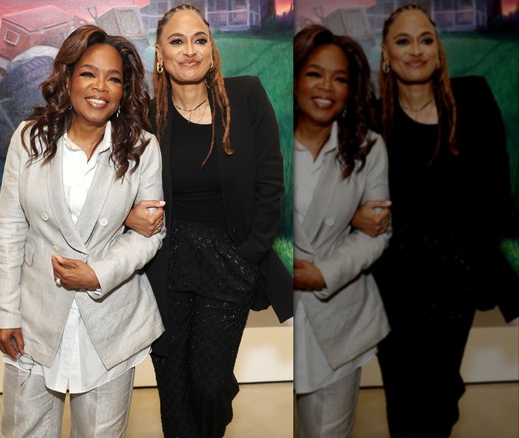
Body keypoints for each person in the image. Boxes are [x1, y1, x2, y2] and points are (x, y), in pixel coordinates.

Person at [124, 4, 291, 437]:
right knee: (174, 392)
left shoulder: (247, 95)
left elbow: (270, 181)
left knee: (210, 383)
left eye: (199, 39)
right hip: (166, 264)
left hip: (228, 261)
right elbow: (113, 186)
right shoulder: (144, 114)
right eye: (177, 41)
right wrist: (128, 215)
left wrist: (249, 256)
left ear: (212, 49)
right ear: (159, 52)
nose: (190, 50)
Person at [0, 25, 164, 437]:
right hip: (34, 318)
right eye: (88, 73)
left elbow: (151, 233)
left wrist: (98, 274)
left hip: (110, 321)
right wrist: (4, 312)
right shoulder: (29, 139)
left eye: (114, 78)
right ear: (67, 80)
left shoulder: (142, 148)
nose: (100, 86)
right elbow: (10, 228)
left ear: (125, 90)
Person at [354, 4, 519, 436]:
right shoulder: (372, 117)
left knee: (442, 398)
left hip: (453, 282)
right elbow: (343, 197)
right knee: (404, 399)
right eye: (403, 41)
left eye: (426, 39)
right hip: (394, 284)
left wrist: (471, 260)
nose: (416, 51)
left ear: (439, 49)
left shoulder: (474, 98)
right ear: (386, 53)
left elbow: (497, 195)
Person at [291, 24, 391, 437]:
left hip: (339, 318)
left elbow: (377, 232)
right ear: (295, 76)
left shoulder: (368, 147)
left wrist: (323, 274)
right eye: (315, 73)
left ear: (352, 90)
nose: (327, 87)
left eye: (341, 78)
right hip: (282, 316)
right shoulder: (268, 141)